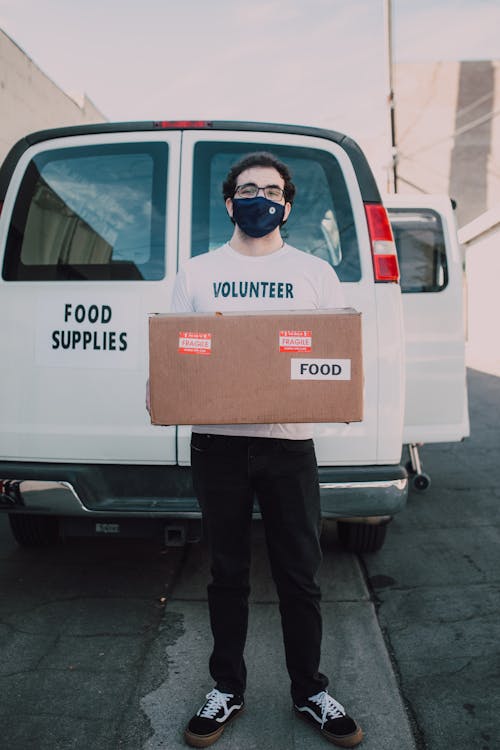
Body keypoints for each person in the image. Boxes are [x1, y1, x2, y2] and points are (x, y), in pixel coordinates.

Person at [170, 152, 363, 748]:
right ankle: (226, 688)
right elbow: (177, 354)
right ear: (230, 203)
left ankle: (310, 692)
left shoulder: (314, 274)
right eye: (248, 189)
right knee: (226, 573)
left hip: (289, 446)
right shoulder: (198, 273)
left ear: (287, 204)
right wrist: (169, 385)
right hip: (219, 449)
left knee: (299, 576)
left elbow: (332, 360)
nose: (260, 197)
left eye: (271, 190)